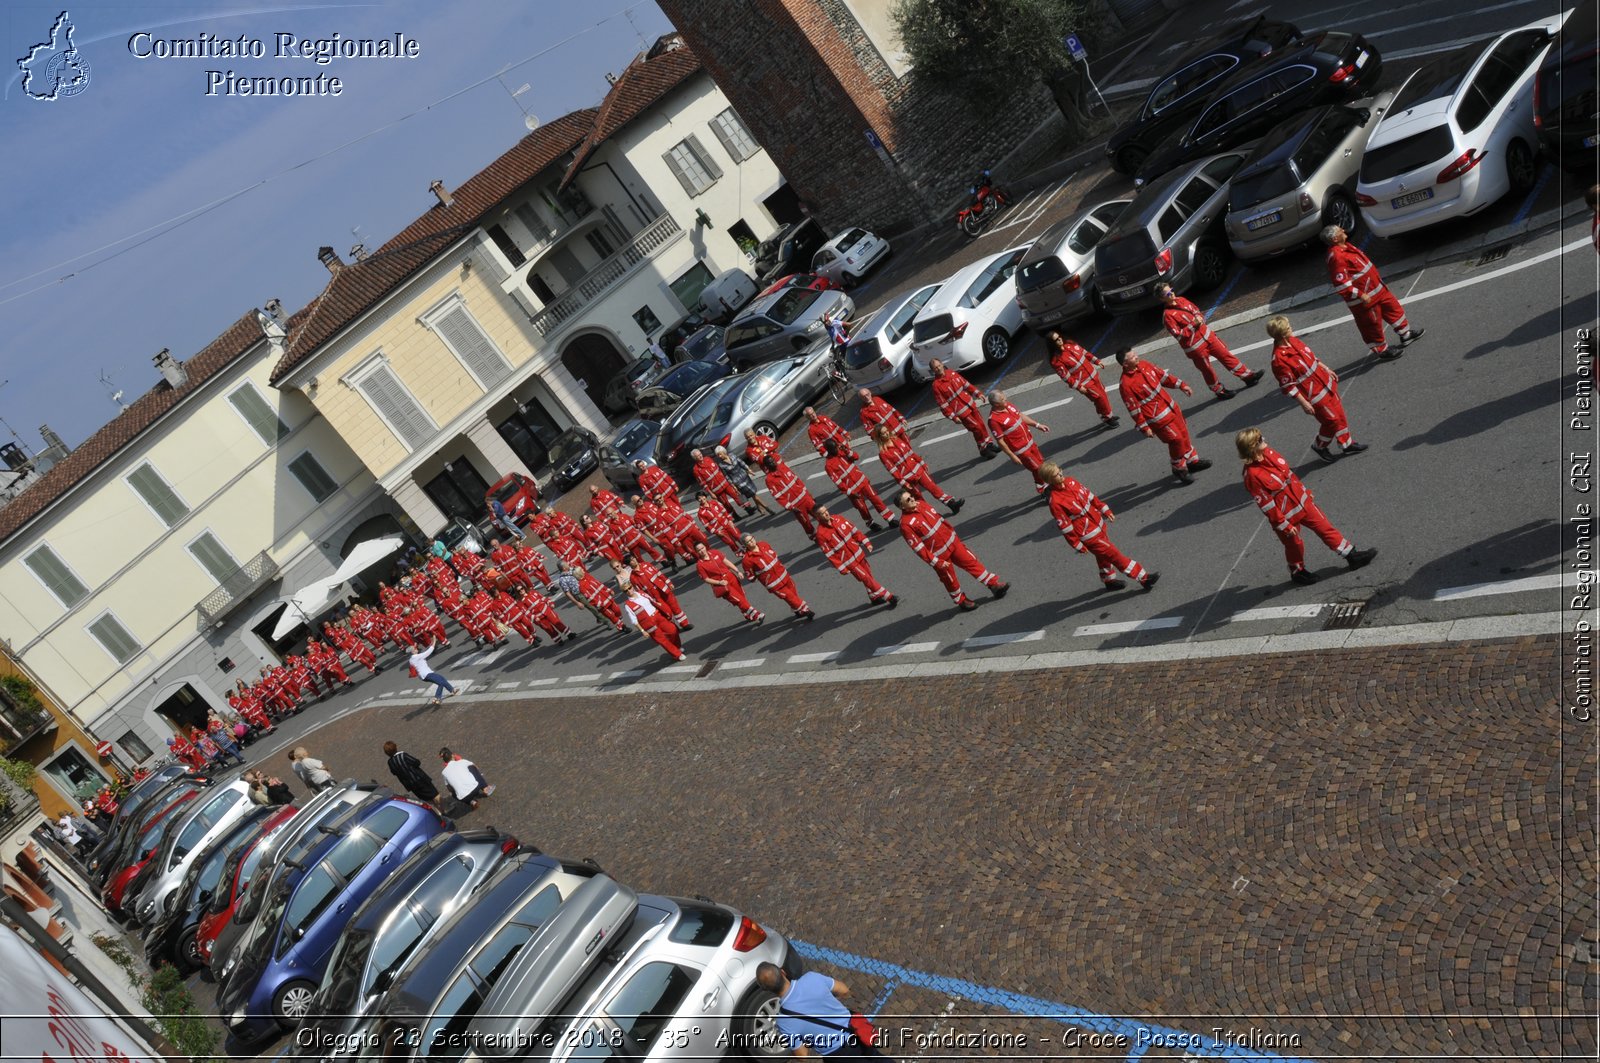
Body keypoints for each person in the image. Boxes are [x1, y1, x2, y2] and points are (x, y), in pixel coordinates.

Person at [1237, 428, 1377, 585]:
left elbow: (1289, 474)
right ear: (1252, 447)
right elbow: (1267, 505)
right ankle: (1298, 572)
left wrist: (1305, 491)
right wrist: (1284, 525)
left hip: (1302, 502)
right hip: (1286, 516)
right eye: (1260, 439)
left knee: (1325, 527)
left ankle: (1352, 556)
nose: (1264, 439)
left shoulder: (1269, 453)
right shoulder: (1252, 476)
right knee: (1295, 545)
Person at [1266, 316, 1369, 464]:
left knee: (1339, 415)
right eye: (1288, 327)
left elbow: (1312, 358)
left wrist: (1326, 369)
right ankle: (1320, 445)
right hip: (1314, 395)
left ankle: (1347, 444)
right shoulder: (1279, 360)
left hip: (1325, 384)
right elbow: (1289, 386)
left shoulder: (1293, 341)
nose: (1291, 328)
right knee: (1331, 421)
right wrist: (1304, 404)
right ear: (1282, 334)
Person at [1040, 462, 1159, 591]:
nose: (1061, 474)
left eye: (1060, 471)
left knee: (1103, 556)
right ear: (1050, 480)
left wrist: (1104, 509)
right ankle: (1144, 577)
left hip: (1097, 523)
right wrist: (1078, 545)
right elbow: (1065, 527)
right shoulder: (1055, 502)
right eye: (1056, 475)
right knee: (1115, 555)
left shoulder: (1071, 481)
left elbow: (1090, 496)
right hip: (1088, 535)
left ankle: (1108, 580)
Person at [1322, 224, 1423, 359]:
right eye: (1340, 230)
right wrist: (1361, 295)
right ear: (1335, 238)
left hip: (1378, 291)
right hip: (1366, 300)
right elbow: (1341, 285)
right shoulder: (1336, 257)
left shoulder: (1346, 247)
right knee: (1372, 325)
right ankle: (1382, 350)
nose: (1343, 230)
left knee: (1394, 310)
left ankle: (1406, 334)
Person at [896, 492, 1008, 610]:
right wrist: (936, 562)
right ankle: (962, 601)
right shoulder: (905, 525)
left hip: (953, 542)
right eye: (908, 500)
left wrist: (953, 534)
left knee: (972, 562)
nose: (912, 499)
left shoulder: (922, 504)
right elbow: (918, 548)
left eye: (911, 496)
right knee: (950, 580)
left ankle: (994, 585)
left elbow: (940, 519)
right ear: (902, 506)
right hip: (940, 556)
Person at [755, 962, 890, 1060]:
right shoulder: (811, 978)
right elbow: (844, 990)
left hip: (837, 1056)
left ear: (766, 990)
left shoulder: (783, 1021)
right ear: (782, 972)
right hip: (856, 1032)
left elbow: (803, 1056)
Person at [1116, 346, 1210, 485]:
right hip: (1158, 419)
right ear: (1125, 364)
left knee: (1184, 434)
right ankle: (1178, 468)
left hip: (1172, 408)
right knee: (1176, 440)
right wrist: (1144, 427)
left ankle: (1192, 461)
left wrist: (1181, 385)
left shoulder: (1145, 365)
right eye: (1133, 357)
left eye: (1135, 354)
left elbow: (1164, 377)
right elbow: (1133, 409)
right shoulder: (1126, 385)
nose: (1136, 357)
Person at [1156, 282, 1264, 399]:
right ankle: (1219, 391)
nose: (1171, 293)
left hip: (1208, 337)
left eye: (1171, 290)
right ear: (1162, 298)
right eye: (1168, 293)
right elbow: (1178, 335)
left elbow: (1196, 310)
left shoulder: (1182, 300)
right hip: (1196, 348)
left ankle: (1248, 377)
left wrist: (1200, 318)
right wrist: (1193, 325)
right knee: (1208, 370)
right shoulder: (1168, 316)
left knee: (1226, 356)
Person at [813, 505, 897, 608]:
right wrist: (842, 568)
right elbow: (829, 554)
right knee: (866, 579)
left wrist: (866, 542)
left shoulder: (838, 518)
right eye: (823, 513)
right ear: (817, 517)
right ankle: (889, 596)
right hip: (849, 562)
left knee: (869, 575)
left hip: (858, 553)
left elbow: (854, 531)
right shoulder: (821, 534)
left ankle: (873, 597)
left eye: (826, 511)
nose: (826, 514)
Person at [870, 425, 963, 513]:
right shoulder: (883, 454)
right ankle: (928, 514)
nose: (887, 433)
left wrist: (921, 462)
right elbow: (893, 471)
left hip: (918, 469)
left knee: (934, 488)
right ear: (879, 437)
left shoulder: (897, 440)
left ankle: (952, 504)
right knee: (918, 499)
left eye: (887, 431)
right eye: (883, 433)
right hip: (908, 478)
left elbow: (910, 453)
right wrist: (904, 483)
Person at [1046, 332, 1119, 429]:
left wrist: (1096, 361)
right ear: (1052, 343)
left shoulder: (1071, 345)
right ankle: (1107, 418)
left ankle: (1108, 415)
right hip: (1085, 383)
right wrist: (1079, 387)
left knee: (1103, 395)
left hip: (1094, 376)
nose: (1059, 339)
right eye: (1056, 339)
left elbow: (1085, 353)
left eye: (1059, 337)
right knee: (1099, 398)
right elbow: (1066, 377)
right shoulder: (1056, 360)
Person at [928, 360, 999, 458]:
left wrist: (977, 393)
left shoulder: (951, 373)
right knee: (976, 428)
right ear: (933, 370)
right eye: (935, 368)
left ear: (942, 364)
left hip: (970, 404)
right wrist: (953, 417)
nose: (939, 368)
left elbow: (966, 384)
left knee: (981, 424)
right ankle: (983, 449)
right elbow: (943, 404)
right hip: (961, 411)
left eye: (939, 365)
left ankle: (989, 444)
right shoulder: (936, 385)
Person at [823, 440, 895, 530]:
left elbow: (856, 457)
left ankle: (890, 519)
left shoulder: (842, 452)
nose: (837, 449)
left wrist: (846, 450)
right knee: (862, 508)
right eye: (835, 448)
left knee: (876, 499)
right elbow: (838, 482)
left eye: (837, 446)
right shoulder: (829, 465)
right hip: (853, 490)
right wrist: (850, 492)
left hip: (863, 482)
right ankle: (870, 523)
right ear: (829, 450)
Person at [738, 534, 815, 620]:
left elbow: (774, 555)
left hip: (784, 574)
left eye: (752, 538)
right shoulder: (747, 560)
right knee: (789, 597)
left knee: (793, 594)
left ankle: (797, 611)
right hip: (773, 584)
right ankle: (806, 610)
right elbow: (751, 577)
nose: (752, 541)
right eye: (748, 541)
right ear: (744, 545)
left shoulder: (764, 544)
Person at [986, 390, 1050, 491]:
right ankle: (1045, 488)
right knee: (1038, 468)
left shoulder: (1007, 405)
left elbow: (1021, 416)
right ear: (996, 404)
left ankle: (1042, 486)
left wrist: (1037, 425)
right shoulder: (993, 420)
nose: (1006, 399)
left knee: (1040, 464)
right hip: (1022, 450)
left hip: (1030, 442)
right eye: (1003, 399)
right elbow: (1000, 441)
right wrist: (1012, 456)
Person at [692, 541, 765, 623]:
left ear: (705, 547)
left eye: (702, 548)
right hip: (722, 585)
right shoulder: (700, 565)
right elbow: (706, 579)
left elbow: (726, 561)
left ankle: (747, 614)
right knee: (739, 600)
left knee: (742, 596)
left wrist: (737, 571)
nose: (702, 551)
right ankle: (757, 615)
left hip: (731, 577)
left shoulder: (715, 552)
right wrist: (719, 583)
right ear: (696, 552)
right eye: (699, 550)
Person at [620, 579, 687, 661]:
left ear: (632, 587)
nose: (628, 591)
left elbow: (653, 601)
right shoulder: (628, 605)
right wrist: (642, 631)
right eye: (625, 591)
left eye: (629, 588)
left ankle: (677, 647)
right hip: (648, 623)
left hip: (657, 615)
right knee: (662, 640)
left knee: (673, 630)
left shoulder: (641, 593)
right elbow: (634, 620)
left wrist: (663, 608)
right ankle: (677, 654)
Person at [764, 455, 820, 537]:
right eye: (770, 463)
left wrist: (808, 493)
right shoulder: (769, 480)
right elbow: (778, 497)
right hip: (796, 506)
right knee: (806, 524)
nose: (773, 463)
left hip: (805, 497)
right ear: (767, 466)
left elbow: (797, 480)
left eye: (773, 461)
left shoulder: (783, 467)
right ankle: (814, 537)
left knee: (819, 514)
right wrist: (791, 507)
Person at [714, 445, 774, 515]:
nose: (719, 456)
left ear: (724, 452)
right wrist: (733, 486)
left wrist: (748, 469)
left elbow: (741, 463)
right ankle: (768, 508)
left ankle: (760, 508)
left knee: (753, 493)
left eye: (720, 454)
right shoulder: (721, 465)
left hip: (745, 477)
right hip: (738, 483)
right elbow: (726, 476)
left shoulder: (732, 456)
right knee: (754, 495)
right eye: (718, 455)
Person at [691, 449, 750, 515]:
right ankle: (735, 516)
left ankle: (748, 509)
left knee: (736, 495)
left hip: (725, 483)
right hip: (717, 490)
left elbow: (719, 469)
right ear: (695, 458)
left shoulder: (708, 459)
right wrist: (711, 493)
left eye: (700, 454)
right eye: (698, 456)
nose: (700, 456)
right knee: (725, 503)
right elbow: (703, 484)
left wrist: (728, 480)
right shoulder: (696, 470)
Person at [384, 741, 441, 806]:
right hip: (420, 779)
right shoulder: (403, 755)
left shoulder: (390, 762)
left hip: (411, 785)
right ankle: (442, 811)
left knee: (426, 799)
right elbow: (416, 762)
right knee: (435, 794)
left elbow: (394, 772)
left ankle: (437, 812)